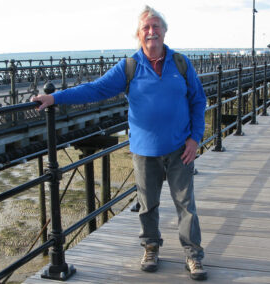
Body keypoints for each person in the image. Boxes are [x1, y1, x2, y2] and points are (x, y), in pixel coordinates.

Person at [31, 5, 208, 281]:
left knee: (186, 205)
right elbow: (95, 89)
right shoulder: (130, 67)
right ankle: (150, 248)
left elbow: (198, 100)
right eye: (146, 28)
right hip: (144, 151)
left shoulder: (181, 64)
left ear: (164, 31)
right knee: (148, 205)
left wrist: (195, 138)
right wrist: (56, 98)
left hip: (179, 149)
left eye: (155, 26)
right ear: (138, 35)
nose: (151, 32)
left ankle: (193, 255)